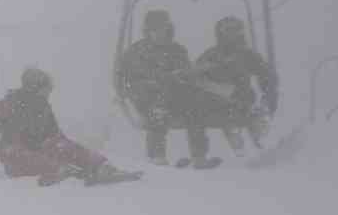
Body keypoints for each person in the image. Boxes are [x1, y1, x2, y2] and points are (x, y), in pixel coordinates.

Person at [0, 68, 141, 186]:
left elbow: (56, 136)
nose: (48, 94)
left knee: (61, 145)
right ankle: (62, 172)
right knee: (29, 156)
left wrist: (74, 153)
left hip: (38, 151)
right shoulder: (9, 104)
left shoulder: (43, 106)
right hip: (14, 158)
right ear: (34, 88)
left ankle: (99, 165)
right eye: (46, 90)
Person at [117, 9, 207, 165]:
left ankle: (198, 155)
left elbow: (186, 74)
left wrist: (184, 76)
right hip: (146, 97)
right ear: (148, 31)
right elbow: (121, 77)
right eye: (154, 29)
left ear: (168, 29)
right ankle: (157, 155)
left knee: (195, 104)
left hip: (172, 95)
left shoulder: (177, 50)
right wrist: (127, 92)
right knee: (158, 107)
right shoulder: (136, 52)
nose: (158, 33)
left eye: (162, 29)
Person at [187, 15, 278, 150]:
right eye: (228, 30)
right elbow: (194, 76)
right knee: (200, 104)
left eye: (236, 30)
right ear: (221, 33)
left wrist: (268, 98)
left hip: (241, 98)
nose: (232, 34)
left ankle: (255, 135)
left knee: (245, 98)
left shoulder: (247, 54)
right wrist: (212, 82)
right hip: (215, 100)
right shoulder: (212, 54)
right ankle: (229, 134)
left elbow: (266, 75)